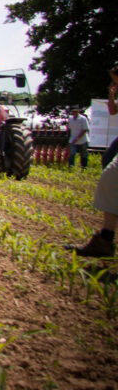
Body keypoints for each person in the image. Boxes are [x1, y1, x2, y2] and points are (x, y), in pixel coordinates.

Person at [70, 65, 118, 257]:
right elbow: (113, 112)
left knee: (109, 176)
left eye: (116, 81)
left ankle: (105, 240)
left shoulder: (82, 120)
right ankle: (105, 239)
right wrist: (112, 96)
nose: (114, 84)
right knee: (108, 168)